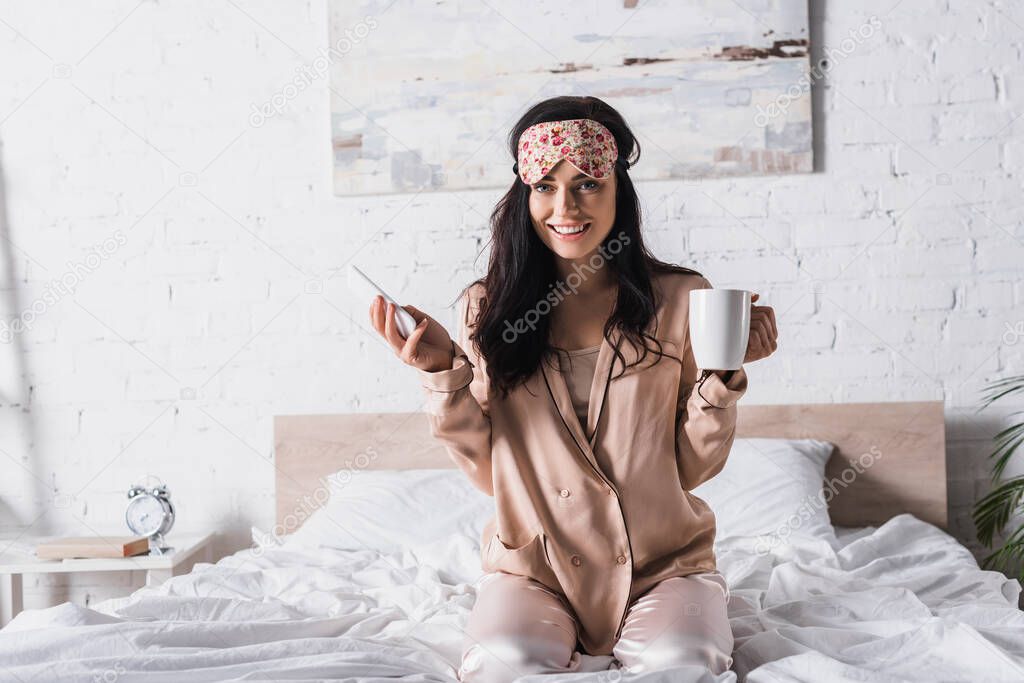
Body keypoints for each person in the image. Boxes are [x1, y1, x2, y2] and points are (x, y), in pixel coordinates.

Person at [369, 95, 778, 681]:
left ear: (620, 192)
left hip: (664, 564)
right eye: (544, 186)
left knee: (683, 662)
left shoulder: (683, 300)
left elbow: (689, 469)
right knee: (502, 663)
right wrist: (444, 375)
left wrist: (725, 378)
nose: (565, 206)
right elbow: (491, 473)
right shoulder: (485, 309)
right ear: (524, 195)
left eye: (588, 183)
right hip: (533, 568)